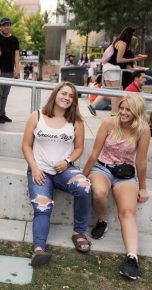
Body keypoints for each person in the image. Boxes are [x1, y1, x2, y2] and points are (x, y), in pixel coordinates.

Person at [22, 81, 92, 267]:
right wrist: (34, 168)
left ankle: (78, 232)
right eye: (64, 93)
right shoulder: (37, 116)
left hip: (64, 170)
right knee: (42, 207)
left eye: (71, 96)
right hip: (40, 171)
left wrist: (68, 161)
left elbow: (79, 148)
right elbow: (26, 145)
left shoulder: (76, 121)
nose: (67, 98)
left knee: (84, 187)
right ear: (56, 94)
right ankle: (39, 249)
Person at [83, 93, 150, 280]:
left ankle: (132, 258)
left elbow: (142, 162)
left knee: (127, 212)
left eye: (128, 109)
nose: (123, 112)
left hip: (125, 174)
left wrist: (143, 187)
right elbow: (95, 152)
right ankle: (102, 221)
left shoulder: (143, 130)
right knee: (99, 191)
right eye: (121, 108)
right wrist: (82, 175)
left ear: (136, 112)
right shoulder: (108, 123)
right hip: (102, 168)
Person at [102, 26, 147, 113]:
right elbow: (119, 60)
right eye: (132, 34)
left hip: (107, 68)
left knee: (112, 93)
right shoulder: (123, 43)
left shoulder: (117, 41)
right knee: (116, 94)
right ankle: (115, 114)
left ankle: (114, 113)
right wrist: (135, 59)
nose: (132, 37)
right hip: (113, 68)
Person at [0, 17, 20, 124]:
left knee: (5, 93)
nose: (6, 27)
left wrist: (17, 68)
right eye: (4, 25)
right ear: (0, 27)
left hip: (9, 70)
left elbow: (17, 55)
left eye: (8, 25)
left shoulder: (15, 39)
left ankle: (2, 113)